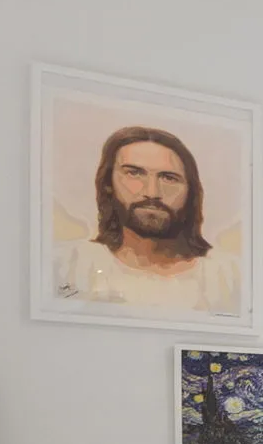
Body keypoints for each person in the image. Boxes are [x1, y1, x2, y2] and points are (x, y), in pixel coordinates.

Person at [53, 125, 241, 315]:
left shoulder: (230, 276)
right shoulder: (66, 265)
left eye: (168, 178)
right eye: (134, 173)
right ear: (108, 184)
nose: (152, 192)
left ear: (190, 192)